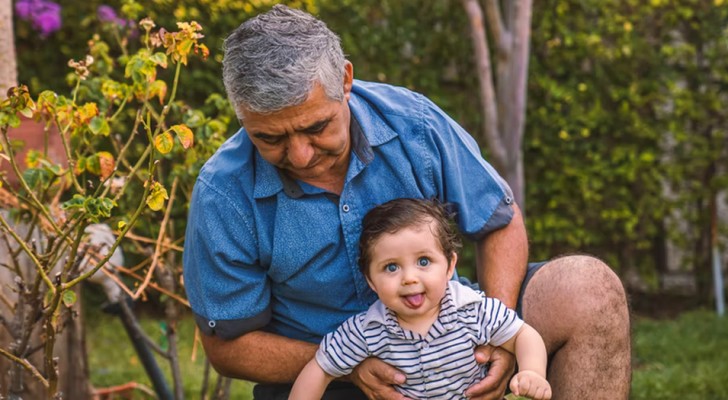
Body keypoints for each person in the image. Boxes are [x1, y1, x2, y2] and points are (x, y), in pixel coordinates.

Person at [182, 4, 631, 400]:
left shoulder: (413, 123)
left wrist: (498, 338)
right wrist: (349, 364)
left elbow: (498, 222)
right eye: (270, 138)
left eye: (316, 127)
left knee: (587, 289)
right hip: (327, 376)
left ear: (345, 81)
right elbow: (228, 346)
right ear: (243, 115)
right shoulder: (223, 194)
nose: (300, 155)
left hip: (458, 335)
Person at [289, 198, 552, 400]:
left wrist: (532, 371)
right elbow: (321, 368)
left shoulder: (472, 309)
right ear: (370, 280)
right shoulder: (368, 329)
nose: (409, 278)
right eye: (391, 267)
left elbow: (523, 335)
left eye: (423, 261)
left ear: (449, 266)